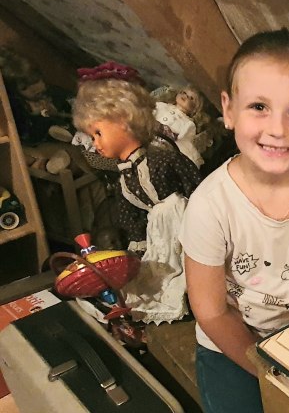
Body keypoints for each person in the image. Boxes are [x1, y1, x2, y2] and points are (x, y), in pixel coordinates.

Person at [179, 28, 289, 412]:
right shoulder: (209, 205)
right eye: (259, 106)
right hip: (228, 346)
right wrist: (270, 370)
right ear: (228, 109)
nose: (277, 129)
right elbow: (210, 310)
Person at [72, 62, 202, 323]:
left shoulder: (162, 157)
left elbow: (195, 183)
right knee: (156, 276)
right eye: (91, 136)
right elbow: (129, 211)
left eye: (98, 133)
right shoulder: (125, 175)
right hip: (158, 234)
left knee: (188, 271)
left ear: (125, 122)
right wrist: (136, 239)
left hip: (187, 225)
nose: (94, 143)